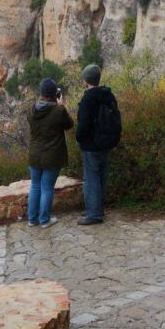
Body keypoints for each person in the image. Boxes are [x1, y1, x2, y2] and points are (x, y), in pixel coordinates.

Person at [74, 63, 120, 225]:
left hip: (91, 145)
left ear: (86, 80)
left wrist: (78, 137)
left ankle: (94, 214)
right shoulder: (108, 95)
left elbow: (84, 124)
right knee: (101, 177)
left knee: (92, 178)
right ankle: (98, 209)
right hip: (106, 142)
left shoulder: (88, 98)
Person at [27, 77, 73, 228]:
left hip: (34, 155)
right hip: (52, 156)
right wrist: (62, 106)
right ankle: (44, 220)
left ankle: (32, 219)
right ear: (55, 94)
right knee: (47, 188)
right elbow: (69, 125)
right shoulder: (58, 110)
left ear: (41, 93)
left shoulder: (32, 109)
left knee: (35, 186)